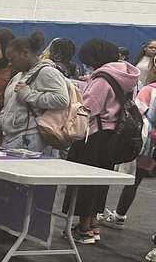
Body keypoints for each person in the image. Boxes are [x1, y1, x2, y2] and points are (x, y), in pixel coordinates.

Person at [63, 38, 140, 244]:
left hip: (93, 137)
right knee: (100, 183)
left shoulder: (101, 80)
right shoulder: (123, 76)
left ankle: (83, 228)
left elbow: (89, 108)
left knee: (84, 183)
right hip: (112, 137)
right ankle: (93, 225)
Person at [0, 32, 69, 153]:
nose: (10, 63)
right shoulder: (18, 77)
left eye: (12, 59)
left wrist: (28, 95)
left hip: (32, 141)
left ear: (25, 53)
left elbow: (62, 100)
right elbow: (8, 109)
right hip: (11, 140)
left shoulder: (47, 72)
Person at [98, 62, 156, 228]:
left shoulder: (149, 90)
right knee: (137, 179)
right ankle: (120, 214)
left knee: (127, 177)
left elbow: (135, 115)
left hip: (142, 143)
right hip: (153, 146)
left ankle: (101, 213)